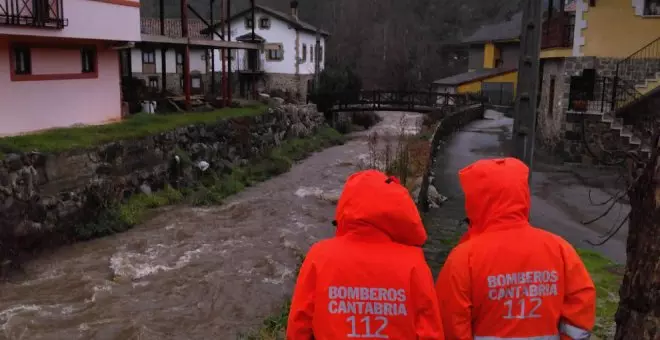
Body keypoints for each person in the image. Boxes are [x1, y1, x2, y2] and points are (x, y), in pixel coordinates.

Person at [436, 157, 596, 340]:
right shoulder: (560, 250)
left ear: (476, 200)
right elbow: (581, 308)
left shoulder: (463, 259)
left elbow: (450, 324)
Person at [286, 170, 444, 340]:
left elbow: (299, 325)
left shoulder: (319, 256)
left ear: (346, 206)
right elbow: (430, 331)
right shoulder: (414, 263)